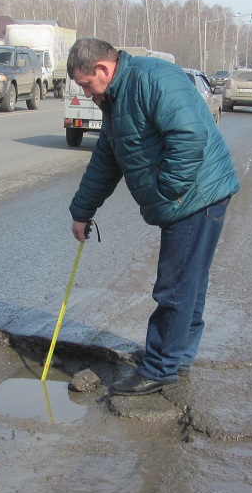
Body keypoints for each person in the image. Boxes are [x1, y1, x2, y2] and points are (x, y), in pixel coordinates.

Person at [67, 37, 240, 396]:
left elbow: (189, 134)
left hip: (195, 196)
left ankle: (160, 367)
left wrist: (169, 191)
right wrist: (82, 211)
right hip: (190, 196)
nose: (85, 93)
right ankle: (177, 355)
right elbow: (106, 160)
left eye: (85, 84)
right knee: (190, 281)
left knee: (175, 285)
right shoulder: (115, 98)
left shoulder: (153, 79)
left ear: (103, 68)